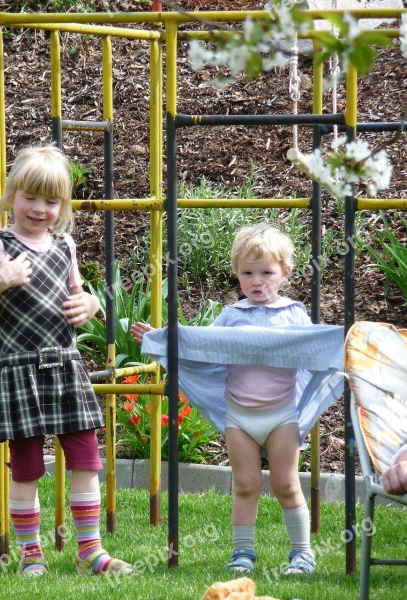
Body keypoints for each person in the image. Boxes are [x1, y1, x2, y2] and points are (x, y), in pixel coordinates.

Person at [0, 145, 133, 577]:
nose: (39, 209)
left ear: (63, 206)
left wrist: (91, 304)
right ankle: (31, 554)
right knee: (28, 467)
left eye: (51, 201)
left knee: (87, 458)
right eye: (30, 197)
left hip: (67, 367)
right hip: (21, 370)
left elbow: (77, 293)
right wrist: (1, 279)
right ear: (13, 194)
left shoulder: (65, 244)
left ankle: (90, 550)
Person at [131, 223, 316, 575]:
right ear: (237, 274)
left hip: (282, 415)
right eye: (247, 273)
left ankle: (302, 553)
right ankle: (242, 553)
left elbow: (314, 350)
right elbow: (201, 347)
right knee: (245, 484)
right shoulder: (231, 317)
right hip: (240, 417)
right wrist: (160, 339)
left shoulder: (295, 314)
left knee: (286, 483)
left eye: (266, 272)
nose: (256, 281)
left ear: (285, 272)